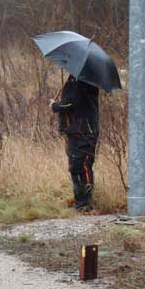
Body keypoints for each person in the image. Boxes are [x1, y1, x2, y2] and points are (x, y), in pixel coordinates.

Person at [51, 74, 100, 211]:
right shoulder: (86, 79)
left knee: (81, 166)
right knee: (77, 166)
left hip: (81, 131)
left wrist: (55, 105)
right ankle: (80, 201)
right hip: (80, 131)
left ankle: (84, 204)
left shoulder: (79, 82)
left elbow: (69, 103)